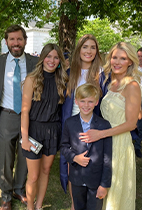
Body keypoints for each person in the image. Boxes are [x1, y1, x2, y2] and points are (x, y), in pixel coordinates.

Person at [80, 42, 141, 210]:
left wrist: (100, 134)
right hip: (104, 141)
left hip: (119, 143)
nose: (117, 62)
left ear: (130, 61)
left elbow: (131, 123)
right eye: (114, 57)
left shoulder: (132, 86)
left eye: (123, 58)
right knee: (102, 191)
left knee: (115, 192)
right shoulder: (109, 81)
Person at [60, 34, 110, 210]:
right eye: (85, 47)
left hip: (91, 125)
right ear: (78, 50)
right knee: (72, 166)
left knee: (90, 164)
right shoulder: (69, 73)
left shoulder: (102, 76)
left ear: (97, 51)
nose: (89, 51)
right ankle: (75, 204)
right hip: (71, 125)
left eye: (93, 47)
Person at [0, 24, 38, 210]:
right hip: (5, 116)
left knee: (25, 156)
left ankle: (19, 189)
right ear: (6, 42)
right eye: (12, 39)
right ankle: (6, 195)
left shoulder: (36, 63)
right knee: (5, 158)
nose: (16, 43)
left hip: (30, 117)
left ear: (25, 41)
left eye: (19, 39)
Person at [21, 43, 68, 210]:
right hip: (34, 131)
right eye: (49, 56)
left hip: (53, 131)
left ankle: (39, 205)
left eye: (56, 57)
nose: (52, 60)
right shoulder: (31, 79)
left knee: (46, 171)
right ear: (42, 58)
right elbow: (25, 112)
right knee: (33, 176)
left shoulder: (62, 80)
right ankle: (30, 207)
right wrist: (25, 138)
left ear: (60, 61)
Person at [61, 83, 112, 210]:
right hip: (77, 178)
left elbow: (107, 157)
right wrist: (74, 158)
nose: (86, 105)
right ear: (76, 101)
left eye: (90, 101)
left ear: (96, 102)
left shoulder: (104, 125)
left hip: (96, 181)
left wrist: (104, 185)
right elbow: (64, 147)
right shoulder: (69, 123)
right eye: (82, 101)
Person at [134, 47, 142, 158]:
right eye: (138, 56)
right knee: (139, 125)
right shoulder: (134, 70)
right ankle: (137, 148)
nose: (140, 59)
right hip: (137, 100)